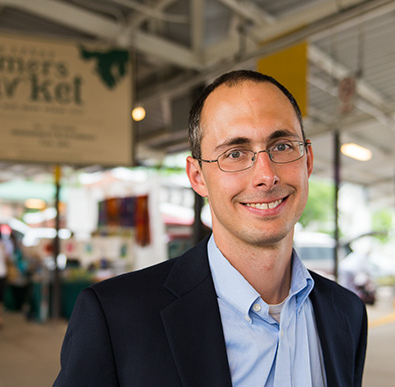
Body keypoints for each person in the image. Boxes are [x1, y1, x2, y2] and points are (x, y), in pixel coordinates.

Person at [54, 70, 367, 386]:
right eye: (234, 153)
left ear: (308, 160)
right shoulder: (115, 317)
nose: (266, 175)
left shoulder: (347, 314)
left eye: (282, 146)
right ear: (197, 177)